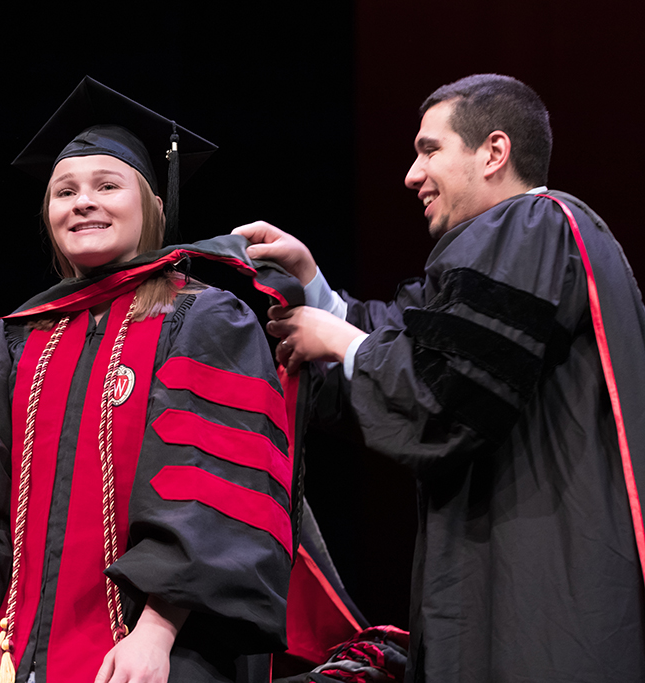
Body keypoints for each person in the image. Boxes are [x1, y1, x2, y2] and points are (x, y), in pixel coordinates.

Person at [0, 77, 356, 683]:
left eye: (107, 186)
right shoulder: (9, 342)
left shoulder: (204, 320)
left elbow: (215, 487)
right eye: (65, 191)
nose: (83, 202)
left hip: (156, 653)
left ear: (150, 205)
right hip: (12, 656)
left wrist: (155, 633)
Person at [237, 74, 645, 680]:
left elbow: (445, 391)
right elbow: (420, 338)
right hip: (514, 568)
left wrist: (341, 340)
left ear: (493, 153)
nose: (411, 173)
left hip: (542, 583)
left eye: (430, 150)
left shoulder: (530, 227)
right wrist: (315, 287)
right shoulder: (525, 243)